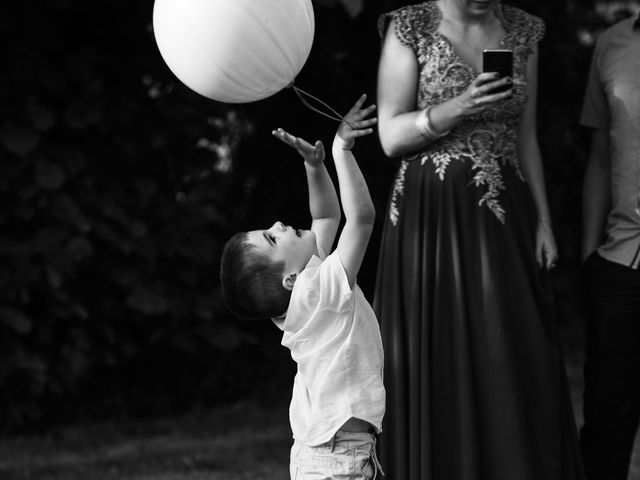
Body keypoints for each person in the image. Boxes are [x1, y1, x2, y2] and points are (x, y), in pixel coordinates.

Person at [373, 1, 584, 479]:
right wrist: (459, 107)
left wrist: (544, 221)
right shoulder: (409, 27)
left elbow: (525, 137)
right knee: (436, 352)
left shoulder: (525, 31)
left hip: (505, 215)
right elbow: (389, 136)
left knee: (513, 346)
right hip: (430, 220)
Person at [220, 95, 386, 480]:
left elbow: (325, 215)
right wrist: (342, 149)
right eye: (272, 239)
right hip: (339, 458)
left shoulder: (306, 295)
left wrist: (315, 166)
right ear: (291, 279)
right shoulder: (318, 293)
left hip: (322, 453)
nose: (278, 224)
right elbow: (360, 220)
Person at [579, 11, 640, 480]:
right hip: (621, 265)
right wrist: (588, 258)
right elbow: (600, 159)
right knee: (605, 433)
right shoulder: (613, 44)